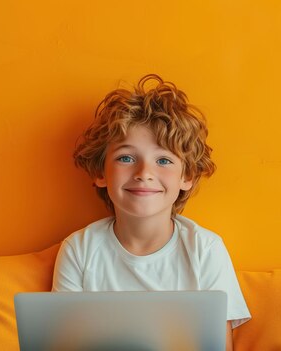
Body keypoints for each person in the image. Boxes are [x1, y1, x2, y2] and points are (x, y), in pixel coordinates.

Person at [52, 74, 250, 350]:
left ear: (187, 176)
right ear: (100, 172)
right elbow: (65, 343)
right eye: (126, 158)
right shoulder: (79, 250)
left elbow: (220, 347)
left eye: (163, 160)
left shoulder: (205, 249)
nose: (144, 173)